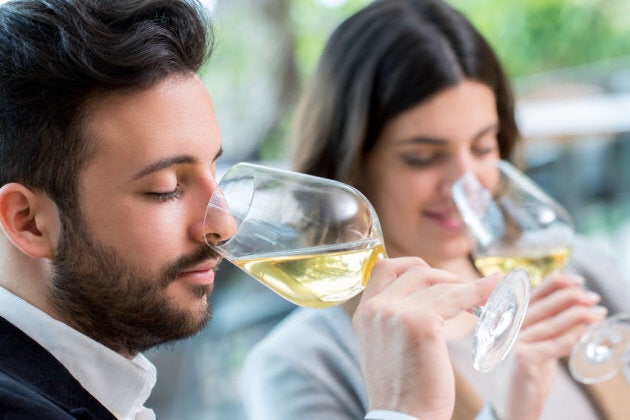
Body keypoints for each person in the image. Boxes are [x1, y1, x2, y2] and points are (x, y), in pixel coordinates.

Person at [0, 0, 514, 419]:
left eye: (214, 170)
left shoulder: (107, 388)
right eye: (165, 188)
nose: (223, 223)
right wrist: (403, 414)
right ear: (28, 221)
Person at [241, 0, 630, 419]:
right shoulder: (305, 366)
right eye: (423, 157)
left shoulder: (576, 275)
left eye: (483, 146)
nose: (466, 183)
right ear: (353, 165)